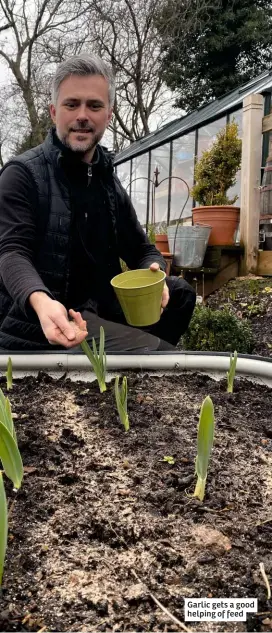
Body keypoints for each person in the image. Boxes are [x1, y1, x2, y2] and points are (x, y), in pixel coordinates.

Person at [0, 53, 196, 353]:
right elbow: (11, 253)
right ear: (54, 112)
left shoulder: (106, 180)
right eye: (71, 104)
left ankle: (137, 375)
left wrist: (153, 268)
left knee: (179, 294)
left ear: (109, 114)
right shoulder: (23, 174)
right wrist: (41, 302)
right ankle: (148, 362)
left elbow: (142, 249)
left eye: (94, 106)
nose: (82, 115)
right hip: (43, 320)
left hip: (99, 309)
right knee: (164, 357)